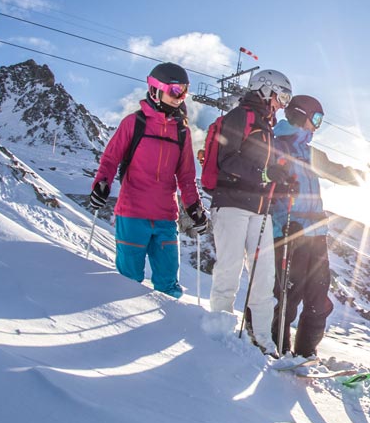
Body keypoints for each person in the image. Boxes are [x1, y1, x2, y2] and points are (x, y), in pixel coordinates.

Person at [268, 95, 370, 358]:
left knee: (319, 300)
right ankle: (278, 350)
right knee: (288, 297)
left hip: (316, 234)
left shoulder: (311, 153)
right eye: (316, 118)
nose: (317, 126)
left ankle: (306, 353)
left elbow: (340, 173)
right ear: (300, 115)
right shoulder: (275, 146)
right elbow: (262, 180)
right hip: (287, 231)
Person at [86, 62, 207, 298]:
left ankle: (168, 329)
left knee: (168, 284)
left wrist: (194, 207)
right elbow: (110, 159)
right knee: (127, 282)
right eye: (175, 90)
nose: (180, 97)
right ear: (155, 89)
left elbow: (186, 177)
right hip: (132, 214)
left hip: (165, 217)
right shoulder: (135, 123)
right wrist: (101, 184)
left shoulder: (182, 131)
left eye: (184, 91)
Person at [202, 68, 295, 353]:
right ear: (265, 89)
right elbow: (227, 160)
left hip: (259, 208)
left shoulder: (267, 127)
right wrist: (265, 175)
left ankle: (264, 340)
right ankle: (220, 331)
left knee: (264, 276)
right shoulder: (239, 116)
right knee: (229, 267)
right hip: (231, 204)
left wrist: (281, 182)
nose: (282, 104)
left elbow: (264, 172)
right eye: (281, 96)